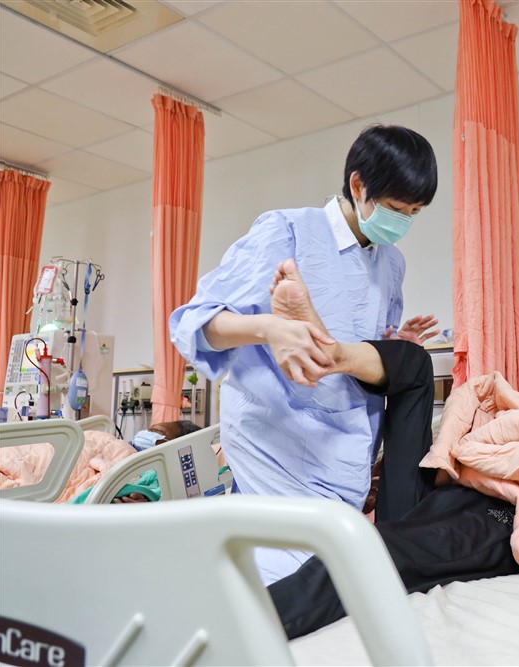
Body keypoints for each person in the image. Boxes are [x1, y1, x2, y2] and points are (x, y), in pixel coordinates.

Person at [170, 125, 441, 584]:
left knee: (335, 567)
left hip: (347, 438)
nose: (404, 222)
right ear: (359, 185)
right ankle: (304, 332)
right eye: (397, 209)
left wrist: (396, 346)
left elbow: (364, 337)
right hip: (278, 433)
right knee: (295, 569)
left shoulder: (392, 262)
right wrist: (270, 328)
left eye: (415, 213)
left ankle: (318, 343)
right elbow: (195, 323)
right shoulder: (288, 230)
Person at [264, 260, 519, 639]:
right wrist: (394, 353)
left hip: (503, 512)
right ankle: (332, 353)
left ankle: (231, 626)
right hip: (440, 493)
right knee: (415, 361)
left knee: (367, 549)